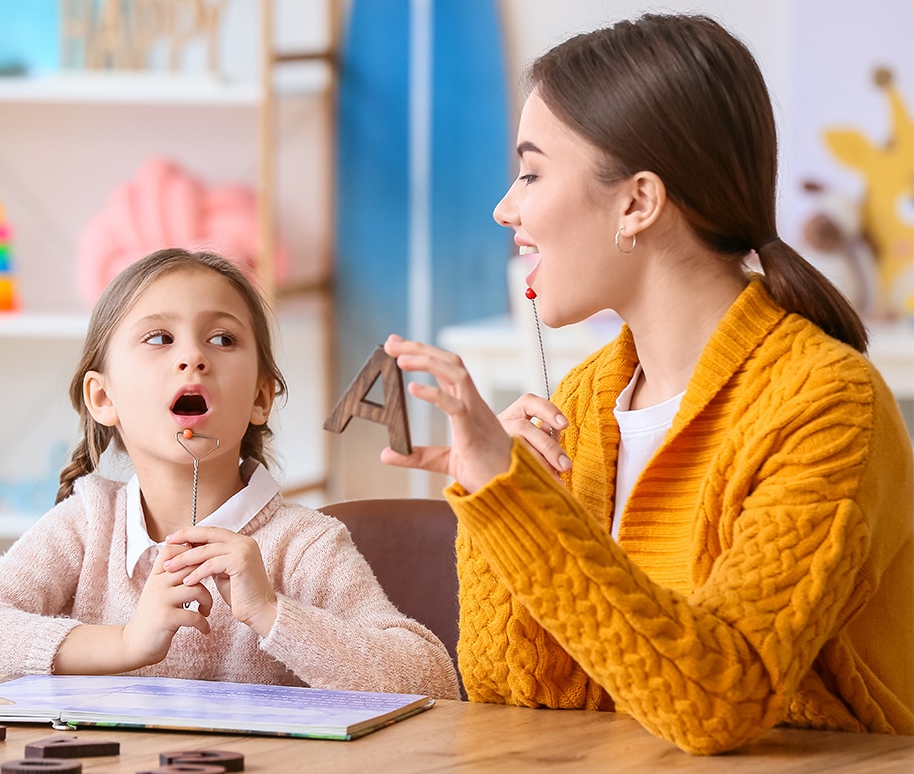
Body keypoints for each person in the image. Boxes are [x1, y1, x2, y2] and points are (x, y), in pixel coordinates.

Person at [380, 13, 914, 755]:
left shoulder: (826, 404)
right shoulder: (578, 403)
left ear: (637, 202)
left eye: (532, 173)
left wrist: (519, 507)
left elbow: (719, 703)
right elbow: (519, 699)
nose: (507, 208)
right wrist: (500, 504)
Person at [0, 248, 461, 700]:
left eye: (222, 339)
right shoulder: (87, 525)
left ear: (260, 397)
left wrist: (272, 615)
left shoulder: (304, 543)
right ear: (103, 397)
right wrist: (126, 643)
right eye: (159, 339)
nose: (193, 358)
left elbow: (432, 679)